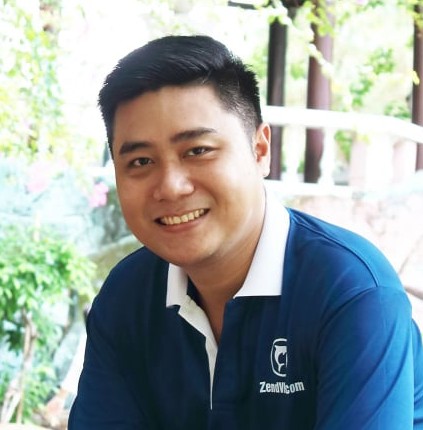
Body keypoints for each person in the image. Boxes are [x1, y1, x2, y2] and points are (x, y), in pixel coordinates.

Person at [68, 35, 423, 429]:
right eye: (140, 161)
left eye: (197, 150)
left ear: (260, 149)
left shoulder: (351, 291)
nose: (170, 187)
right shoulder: (127, 297)